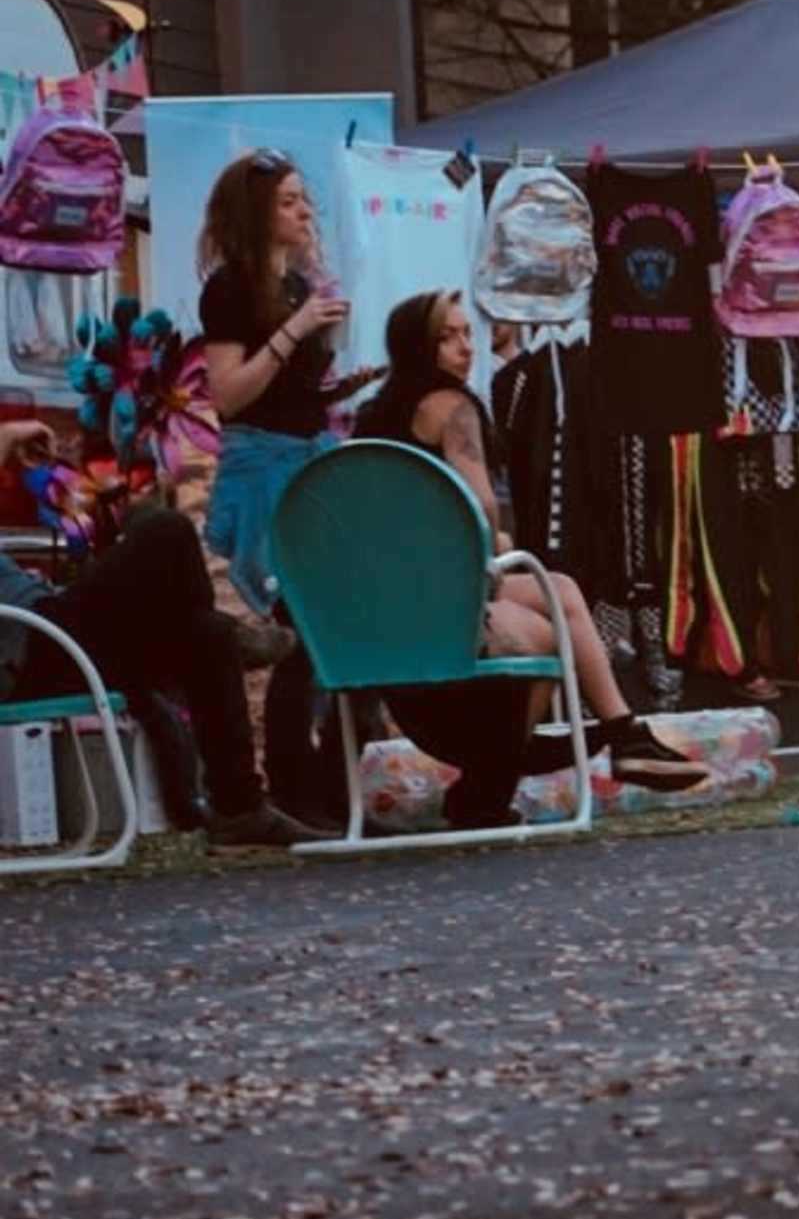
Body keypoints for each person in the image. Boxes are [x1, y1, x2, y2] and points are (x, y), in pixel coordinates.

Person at [350, 290, 709, 791]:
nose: (464, 347)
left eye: (464, 333)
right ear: (418, 347)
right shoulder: (451, 405)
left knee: (559, 589)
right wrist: (496, 542)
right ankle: (517, 770)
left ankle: (624, 735)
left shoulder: (374, 415)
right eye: (446, 337)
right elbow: (478, 505)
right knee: (549, 623)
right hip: (441, 596)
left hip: (389, 592)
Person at [0, 419, 314, 847]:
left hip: (51, 630)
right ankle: (236, 639)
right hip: (29, 647)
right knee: (166, 529)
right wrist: (11, 435)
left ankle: (238, 808)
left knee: (207, 634)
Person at [192, 150, 353, 608]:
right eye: (287, 202)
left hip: (309, 461)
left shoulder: (297, 287)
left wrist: (342, 389)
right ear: (255, 212)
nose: (304, 211)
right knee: (284, 605)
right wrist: (295, 329)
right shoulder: (229, 287)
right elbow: (228, 396)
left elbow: (286, 390)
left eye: (303, 199)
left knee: (318, 605)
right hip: (264, 469)